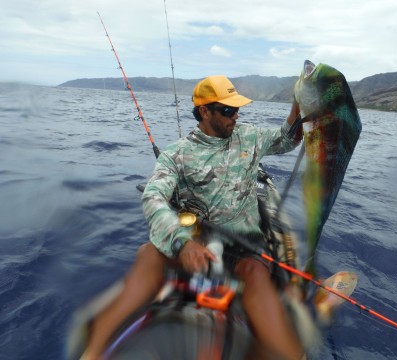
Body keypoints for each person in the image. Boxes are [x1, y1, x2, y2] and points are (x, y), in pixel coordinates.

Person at [82, 75, 304, 360]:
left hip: (244, 248)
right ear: (204, 111)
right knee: (148, 254)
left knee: (257, 275)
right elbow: (153, 197)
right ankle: (93, 351)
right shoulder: (176, 155)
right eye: (227, 110)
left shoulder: (250, 136)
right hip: (194, 244)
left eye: (237, 109)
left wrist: (297, 111)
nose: (234, 116)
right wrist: (181, 243)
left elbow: (287, 140)